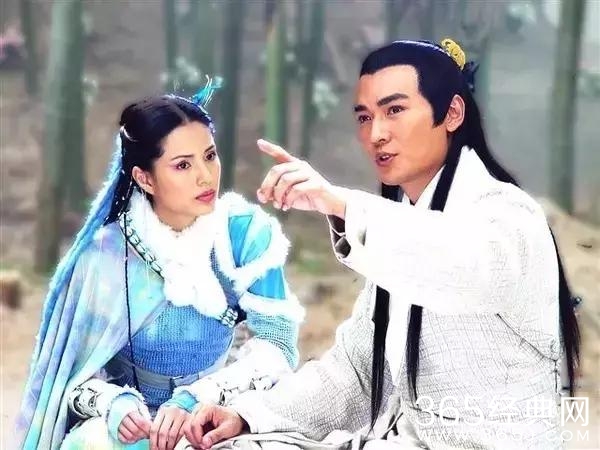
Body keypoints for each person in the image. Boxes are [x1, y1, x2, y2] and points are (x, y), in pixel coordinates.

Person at [180, 40, 580, 449]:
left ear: (452, 113)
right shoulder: (401, 231)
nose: (376, 134)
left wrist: (341, 204)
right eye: (365, 117)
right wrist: (249, 415)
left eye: (395, 110)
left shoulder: (509, 216)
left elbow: (458, 265)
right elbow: (356, 374)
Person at [15, 82, 304, 450]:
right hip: (133, 430)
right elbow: (67, 378)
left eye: (210, 156)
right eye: (183, 165)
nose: (205, 176)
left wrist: (200, 396)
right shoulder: (106, 256)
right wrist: (113, 403)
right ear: (144, 178)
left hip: (219, 415)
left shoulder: (244, 235)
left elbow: (278, 345)